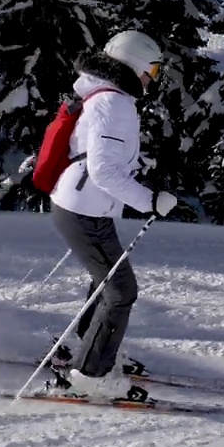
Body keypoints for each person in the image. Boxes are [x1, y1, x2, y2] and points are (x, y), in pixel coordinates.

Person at [45, 30, 178, 400]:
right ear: (134, 63)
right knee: (121, 291)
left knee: (108, 284)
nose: (154, 76)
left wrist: (135, 167)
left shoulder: (108, 97)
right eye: (152, 67)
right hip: (83, 209)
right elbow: (102, 171)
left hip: (83, 206)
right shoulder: (115, 104)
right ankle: (90, 373)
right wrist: (148, 200)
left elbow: (100, 158)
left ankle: (91, 348)